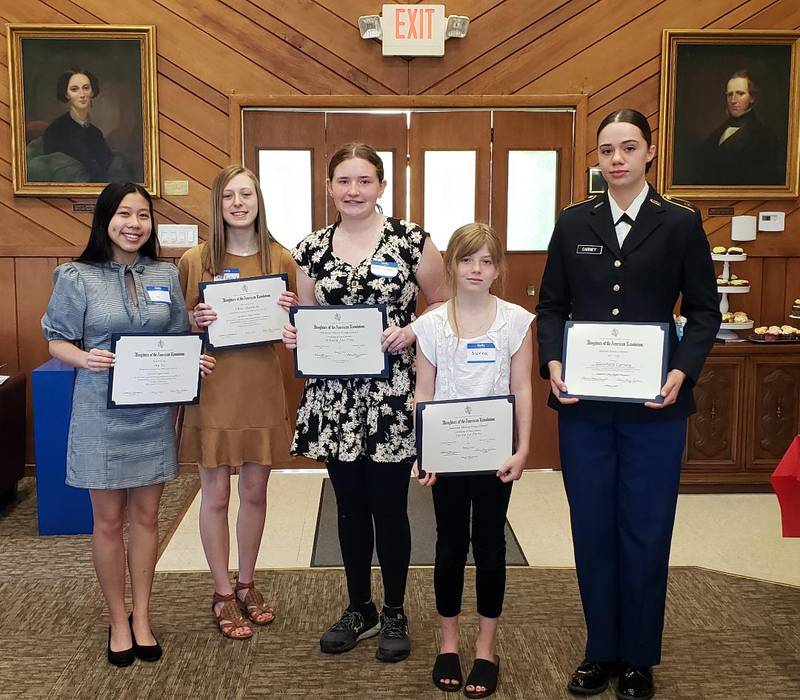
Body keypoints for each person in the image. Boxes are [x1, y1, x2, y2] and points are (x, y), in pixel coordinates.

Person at [536, 109, 720, 699]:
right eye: (606, 149)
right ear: (597, 157)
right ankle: (601, 650)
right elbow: (552, 306)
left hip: (654, 409)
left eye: (628, 147)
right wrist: (554, 360)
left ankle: (639, 657)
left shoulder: (681, 225)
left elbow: (703, 311)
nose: (616, 158)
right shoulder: (572, 223)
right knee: (591, 528)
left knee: (645, 529)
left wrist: (682, 369)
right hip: (585, 407)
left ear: (649, 154)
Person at [41, 182, 215, 667]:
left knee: (145, 519)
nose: (134, 224)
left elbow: (180, 333)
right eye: (124, 214)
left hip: (153, 413)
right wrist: (86, 358)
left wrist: (192, 358)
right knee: (108, 521)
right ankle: (117, 619)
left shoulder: (164, 272)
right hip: (100, 412)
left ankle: (142, 615)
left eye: (143, 215)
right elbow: (56, 340)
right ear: (105, 219)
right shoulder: (76, 276)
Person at [282, 143, 445, 662]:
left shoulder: (411, 241)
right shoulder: (308, 249)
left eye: (365, 181)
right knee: (348, 509)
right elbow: (306, 315)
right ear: (329, 188)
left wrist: (412, 330)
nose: (354, 191)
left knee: (391, 508)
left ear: (381, 186)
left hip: (392, 393)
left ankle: (395, 609)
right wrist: (296, 337)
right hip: (335, 399)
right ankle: (360, 607)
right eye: (344, 181)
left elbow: (442, 305)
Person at [411, 223, 533, 698]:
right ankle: (448, 642)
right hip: (446, 457)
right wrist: (425, 453)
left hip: (496, 456)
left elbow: (522, 388)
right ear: (452, 266)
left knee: (491, 546)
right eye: (467, 260)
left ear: (498, 267)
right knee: (448, 545)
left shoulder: (516, 321)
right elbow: (423, 393)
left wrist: (523, 449)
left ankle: (486, 647)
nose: (476, 270)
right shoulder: (432, 325)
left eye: (486, 261)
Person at [179, 165, 298, 640]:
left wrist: (293, 327)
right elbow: (180, 328)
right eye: (228, 195)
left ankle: (248, 584)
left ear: (258, 200)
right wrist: (194, 320)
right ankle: (222, 591)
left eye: (246, 194)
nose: (238, 203)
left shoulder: (281, 257)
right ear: (218, 202)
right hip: (215, 387)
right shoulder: (195, 259)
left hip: (262, 387)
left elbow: (297, 326)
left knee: (254, 492)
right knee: (216, 495)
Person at [692, 70, 784, 186]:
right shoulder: (715, 135)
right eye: (730, 94)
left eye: (740, 94)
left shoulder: (765, 137)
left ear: (752, 98)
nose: (733, 100)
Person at [41, 70, 114, 181]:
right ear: (66, 95)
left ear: (92, 92)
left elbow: (106, 166)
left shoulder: (96, 133)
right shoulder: (55, 130)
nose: (82, 95)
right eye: (74, 89)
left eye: (86, 88)